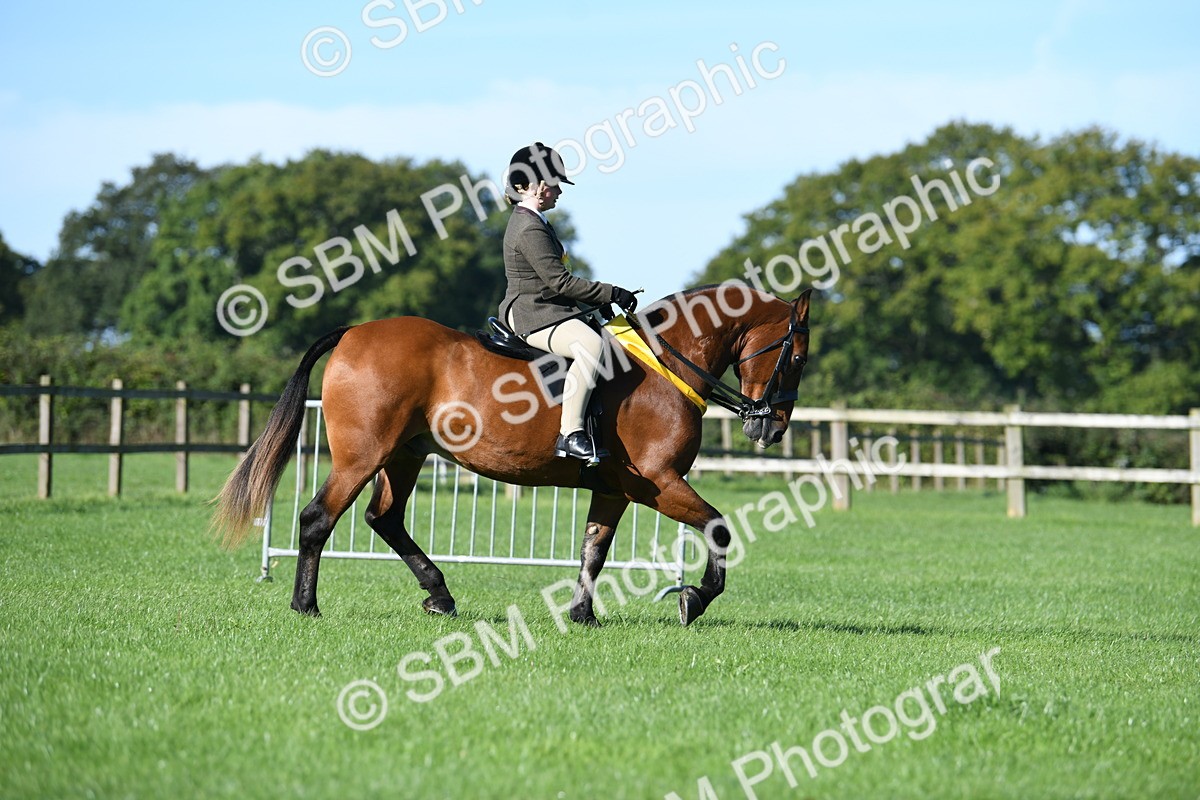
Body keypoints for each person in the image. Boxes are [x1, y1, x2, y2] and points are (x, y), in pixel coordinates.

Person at [498, 142, 639, 464]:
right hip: (532, 314)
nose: (559, 191)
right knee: (591, 346)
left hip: (548, 309)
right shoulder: (528, 227)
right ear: (533, 185)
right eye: (554, 184)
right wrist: (610, 293)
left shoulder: (536, 221)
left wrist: (593, 305)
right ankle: (571, 433)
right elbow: (560, 282)